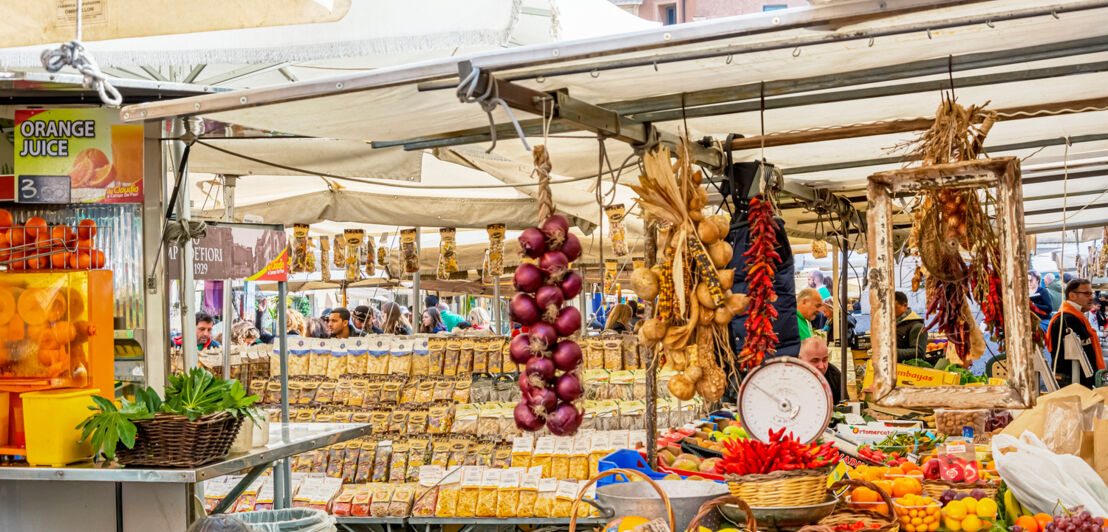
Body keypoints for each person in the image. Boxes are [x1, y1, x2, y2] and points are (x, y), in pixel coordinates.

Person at [1047, 278, 1106, 387]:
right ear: (1072, 295)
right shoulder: (1067, 320)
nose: (1092, 298)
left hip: (1076, 379)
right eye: (1087, 294)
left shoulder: (1074, 318)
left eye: (1091, 293)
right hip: (1073, 382)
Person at [798, 337, 841, 404]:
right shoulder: (789, 377)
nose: (821, 366)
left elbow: (842, 407)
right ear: (800, 360)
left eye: (825, 360)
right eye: (815, 361)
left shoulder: (835, 376)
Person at [894, 291, 928, 362]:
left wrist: (891, 353)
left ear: (905, 306)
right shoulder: (890, 323)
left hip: (906, 371)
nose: (889, 311)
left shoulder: (917, 326)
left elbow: (919, 353)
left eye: (893, 307)